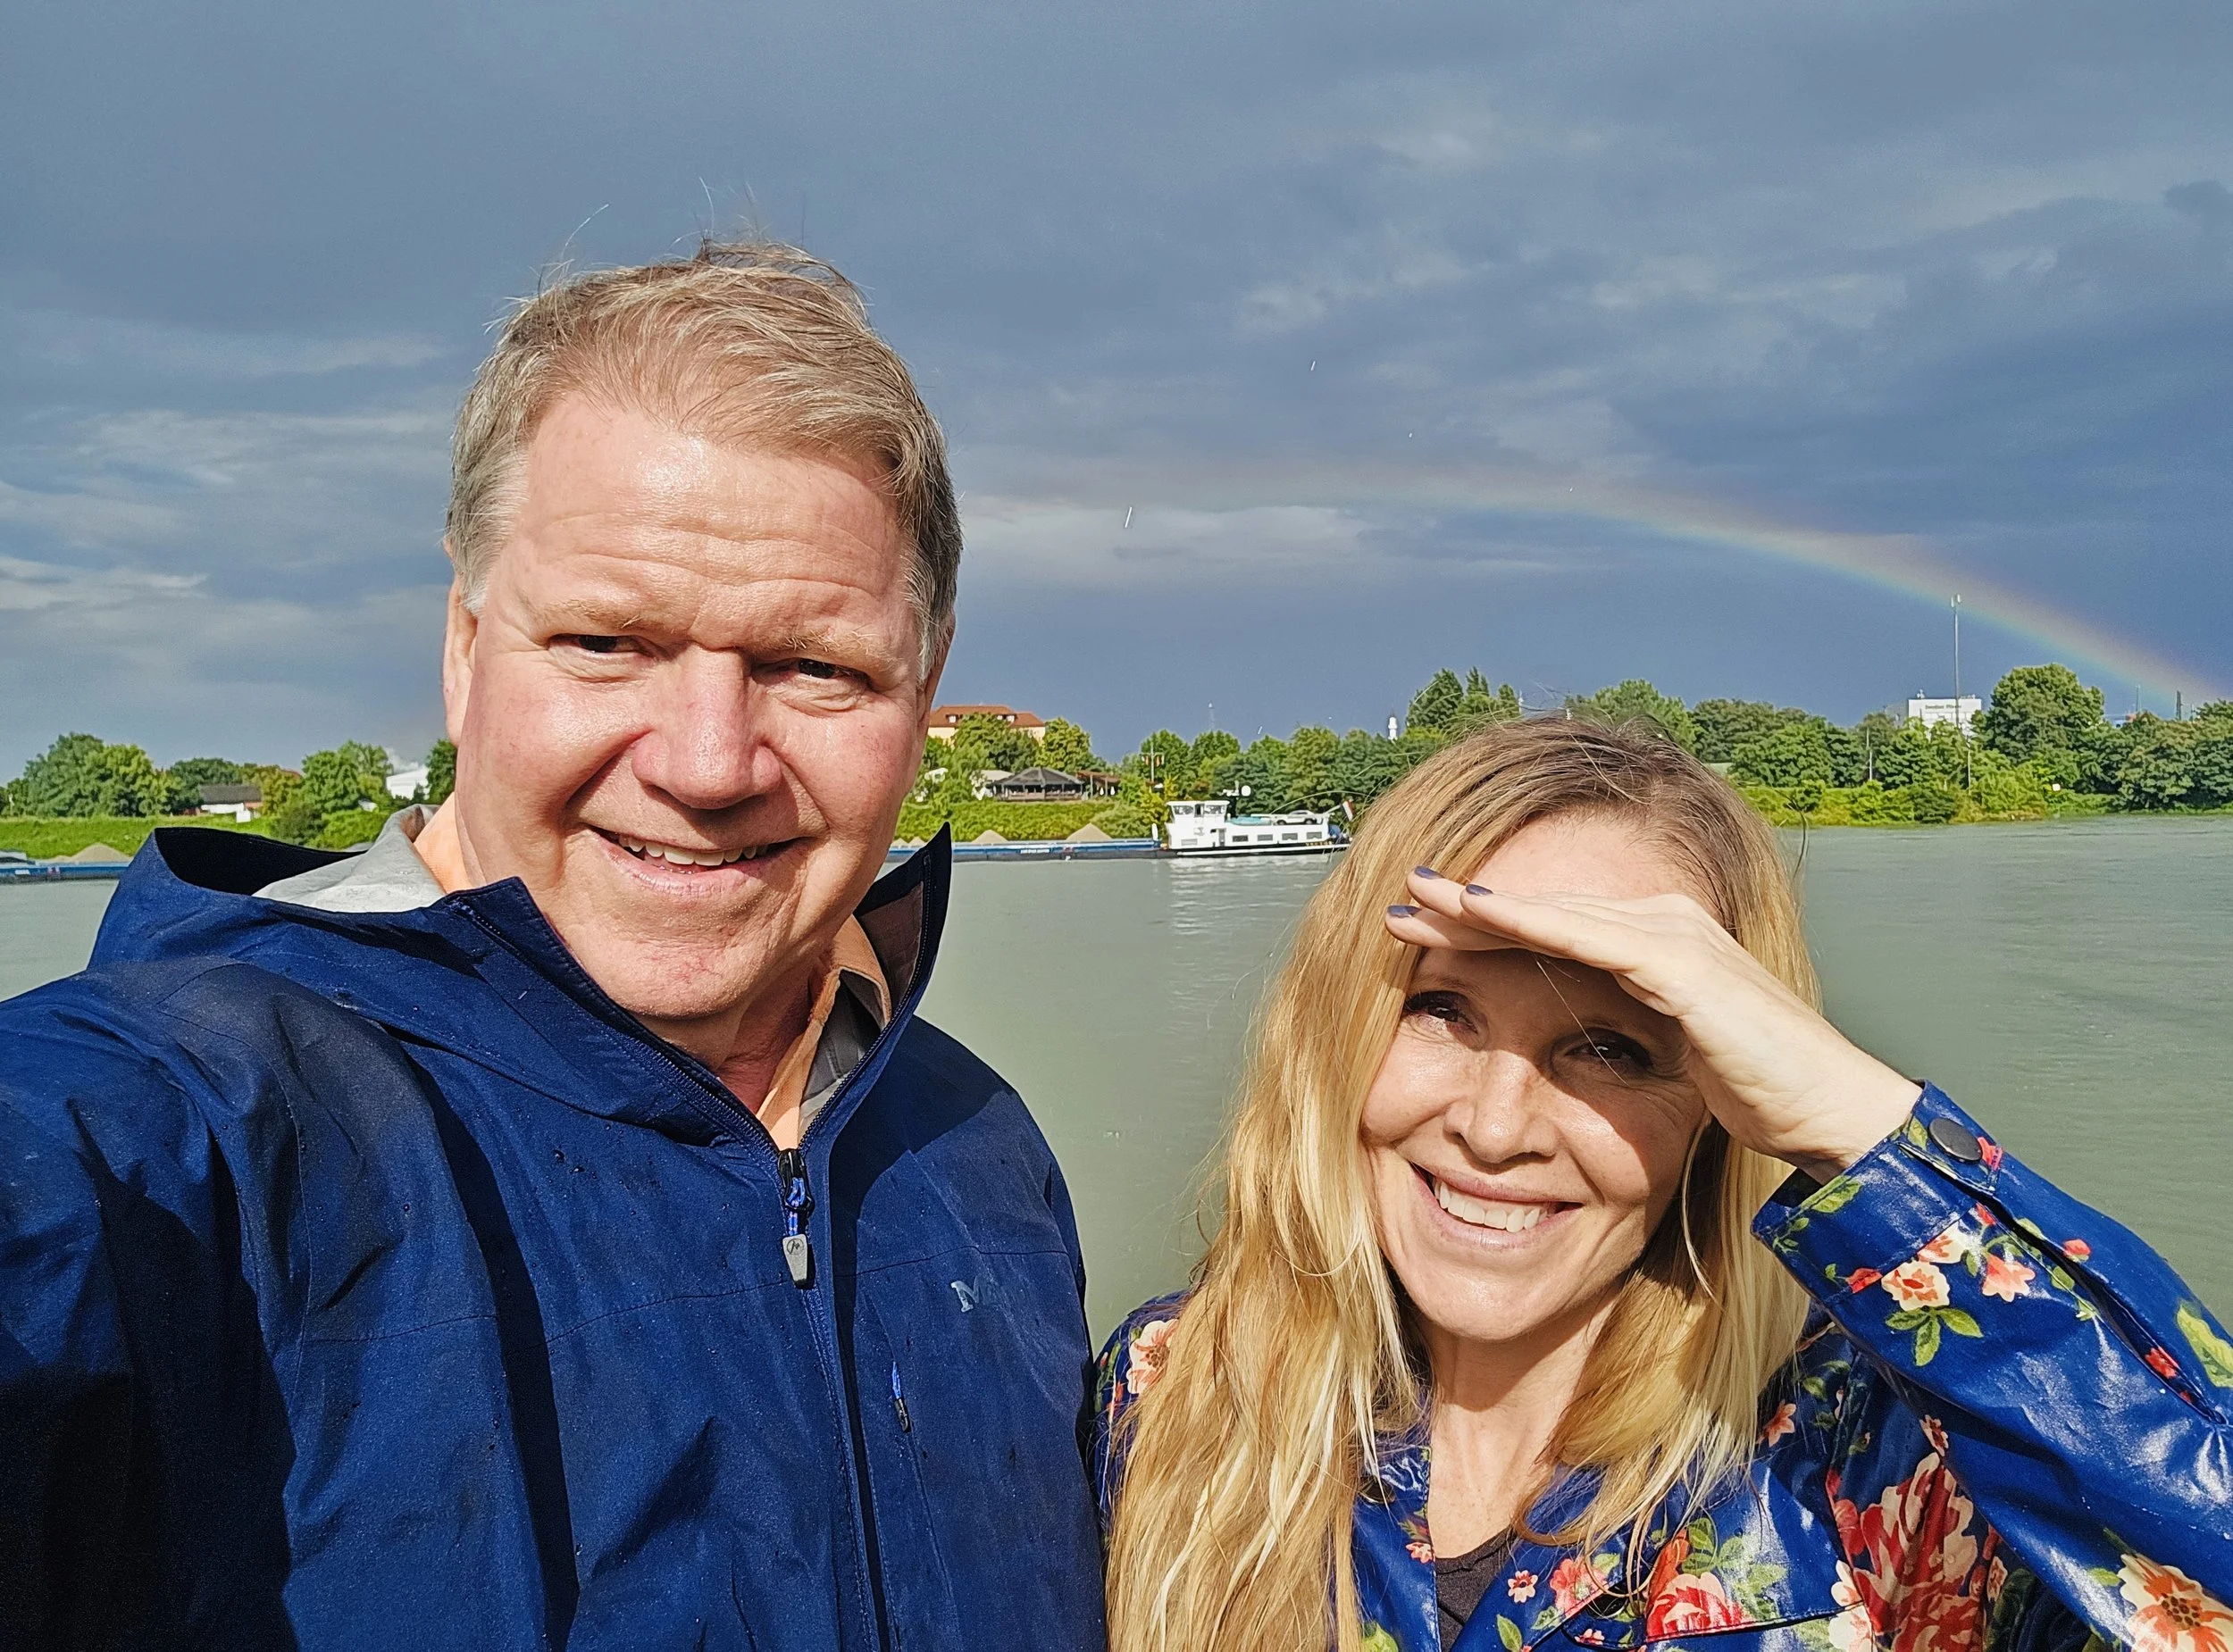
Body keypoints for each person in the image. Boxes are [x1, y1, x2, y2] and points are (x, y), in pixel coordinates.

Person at [0, 244, 1105, 1650]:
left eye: (814, 666)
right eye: (605, 642)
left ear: (923, 688)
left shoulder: (975, 1143)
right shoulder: (192, 1120)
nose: (707, 763)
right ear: (466, 652)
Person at [1094, 719, 2232, 1652]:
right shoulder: (1174, 1390)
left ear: (1719, 1106)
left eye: (1610, 1047)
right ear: (1332, 1030)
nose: (1494, 1126)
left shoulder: (1878, 1468)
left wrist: (1859, 1125)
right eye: (1439, 1010)